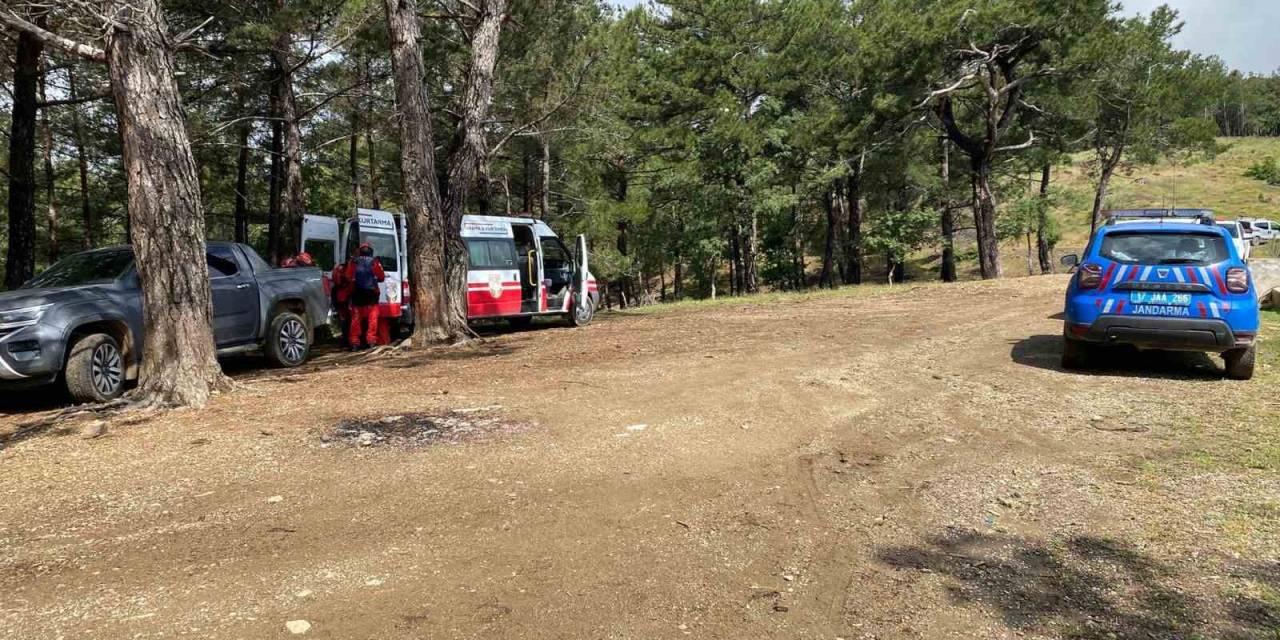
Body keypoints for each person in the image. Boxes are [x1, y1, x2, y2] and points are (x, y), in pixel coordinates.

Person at [344, 243, 385, 350]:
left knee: (356, 318)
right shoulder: (375, 262)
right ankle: (371, 341)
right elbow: (381, 277)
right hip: (372, 294)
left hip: (357, 293)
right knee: (372, 318)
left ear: (360, 251)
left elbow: (347, 276)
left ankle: (354, 342)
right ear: (371, 252)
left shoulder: (353, 262)